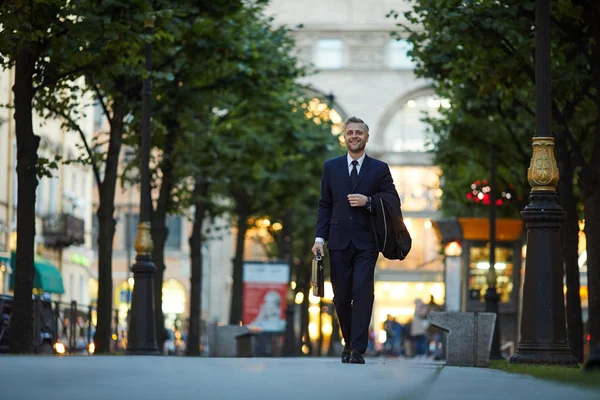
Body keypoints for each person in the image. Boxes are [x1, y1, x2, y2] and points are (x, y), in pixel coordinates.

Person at [312, 116, 399, 365]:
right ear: (344, 137)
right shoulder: (331, 167)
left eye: (359, 133)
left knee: (362, 291)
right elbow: (325, 205)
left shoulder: (379, 169)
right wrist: (320, 238)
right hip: (338, 242)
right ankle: (349, 342)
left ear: (367, 137)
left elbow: (393, 200)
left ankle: (358, 350)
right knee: (340, 297)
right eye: (350, 133)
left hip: (366, 243)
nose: (354, 136)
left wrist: (369, 201)